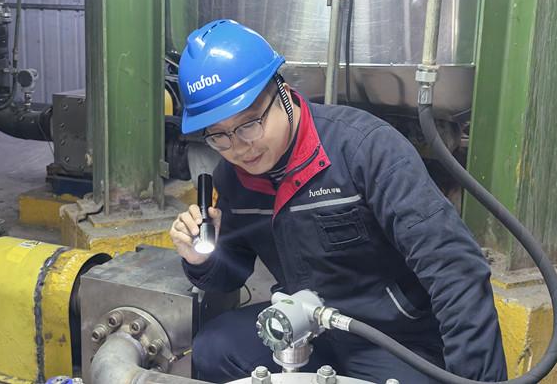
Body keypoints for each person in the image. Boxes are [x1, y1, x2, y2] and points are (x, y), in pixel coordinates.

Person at [169, 19, 507, 384]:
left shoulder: (366, 150)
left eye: (249, 125)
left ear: (283, 93)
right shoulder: (234, 178)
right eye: (219, 136)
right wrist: (201, 260)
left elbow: (455, 270)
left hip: (391, 339)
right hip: (306, 328)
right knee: (214, 350)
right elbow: (231, 275)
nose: (239, 147)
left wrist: (473, 379)